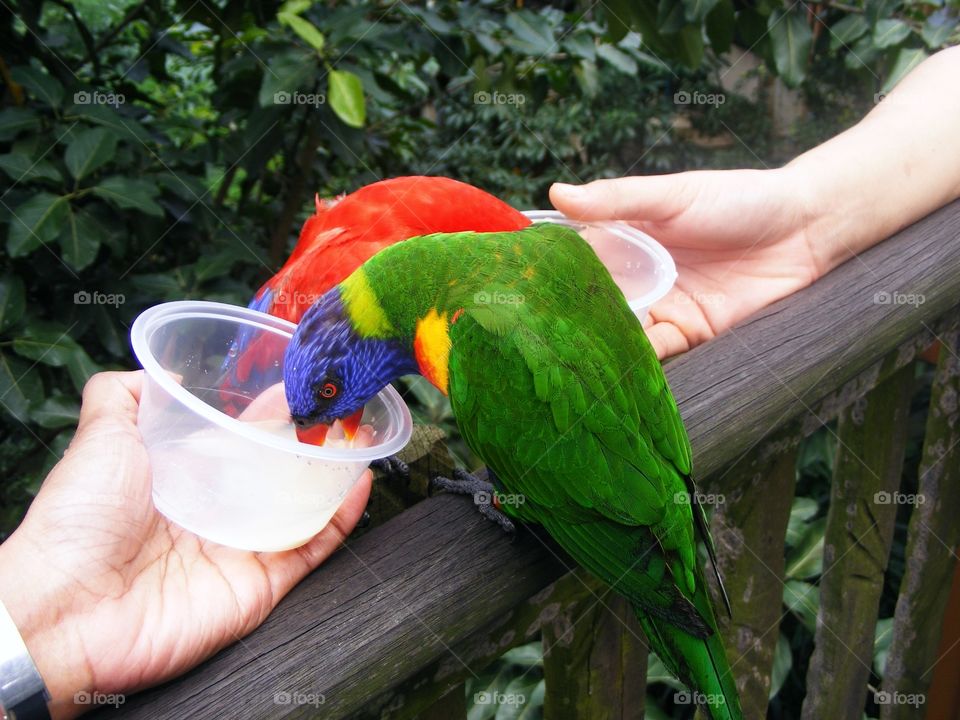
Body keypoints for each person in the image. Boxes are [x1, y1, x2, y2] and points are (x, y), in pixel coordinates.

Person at [0, 45, 957, 719]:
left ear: (365, 357)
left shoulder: (473, 348)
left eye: (328, 406)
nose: (332, 425)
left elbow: (583, 475)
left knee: (663, 620)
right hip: (649, 467)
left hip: (620, 517)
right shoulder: (512, 264)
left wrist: (513, 495)